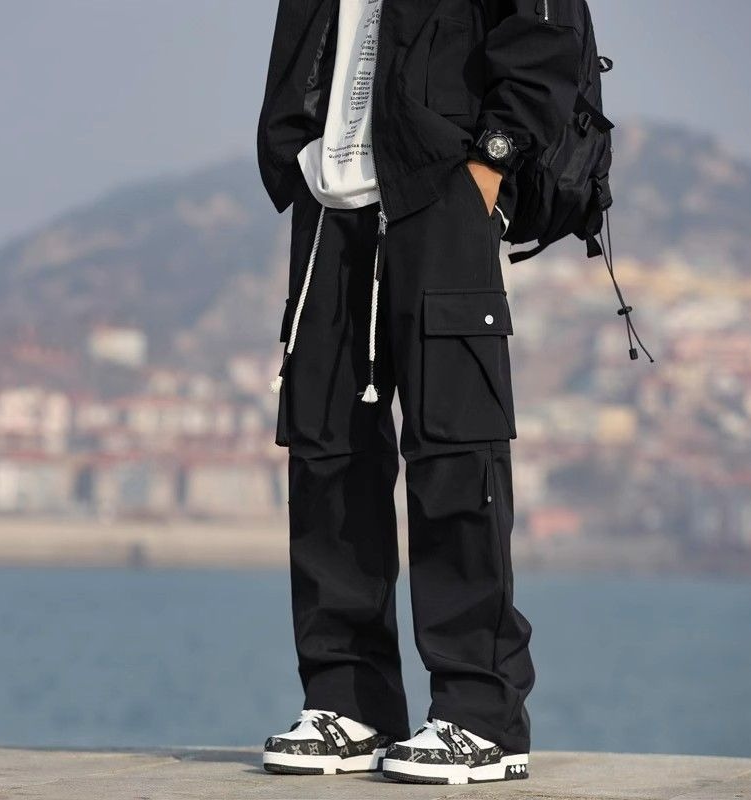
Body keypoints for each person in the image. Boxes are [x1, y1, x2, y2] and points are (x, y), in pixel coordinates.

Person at [256, 0, 584, 785]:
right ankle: (349, 701)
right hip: (330, 201)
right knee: (326, 449)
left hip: (442, 191)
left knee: (455, 450)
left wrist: (489, 168)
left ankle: (481, 713)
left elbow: (545, 35)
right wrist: (295, 153)